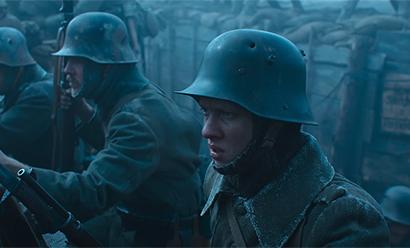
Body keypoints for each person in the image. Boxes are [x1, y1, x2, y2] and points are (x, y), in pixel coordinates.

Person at [0, 12, 202, 246]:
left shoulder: (136, 118)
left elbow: (91, 193)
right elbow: (120, 151)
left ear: (104, 66)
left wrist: (12, 168)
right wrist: (83, 111)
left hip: (156, 235)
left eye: (75, 61)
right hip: (133, 214)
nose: (65, 70)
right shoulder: (137, 99)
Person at [176, 29, 390, 246]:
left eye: (227, 114)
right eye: (206, 112)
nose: (207, 131)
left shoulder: (344, 220)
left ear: (273, 126)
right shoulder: (219, 177)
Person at [0, 27, 53, 169]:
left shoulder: (39, 94)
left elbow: (2, 134)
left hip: (41, 183)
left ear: (17, 69)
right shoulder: (18, 87)